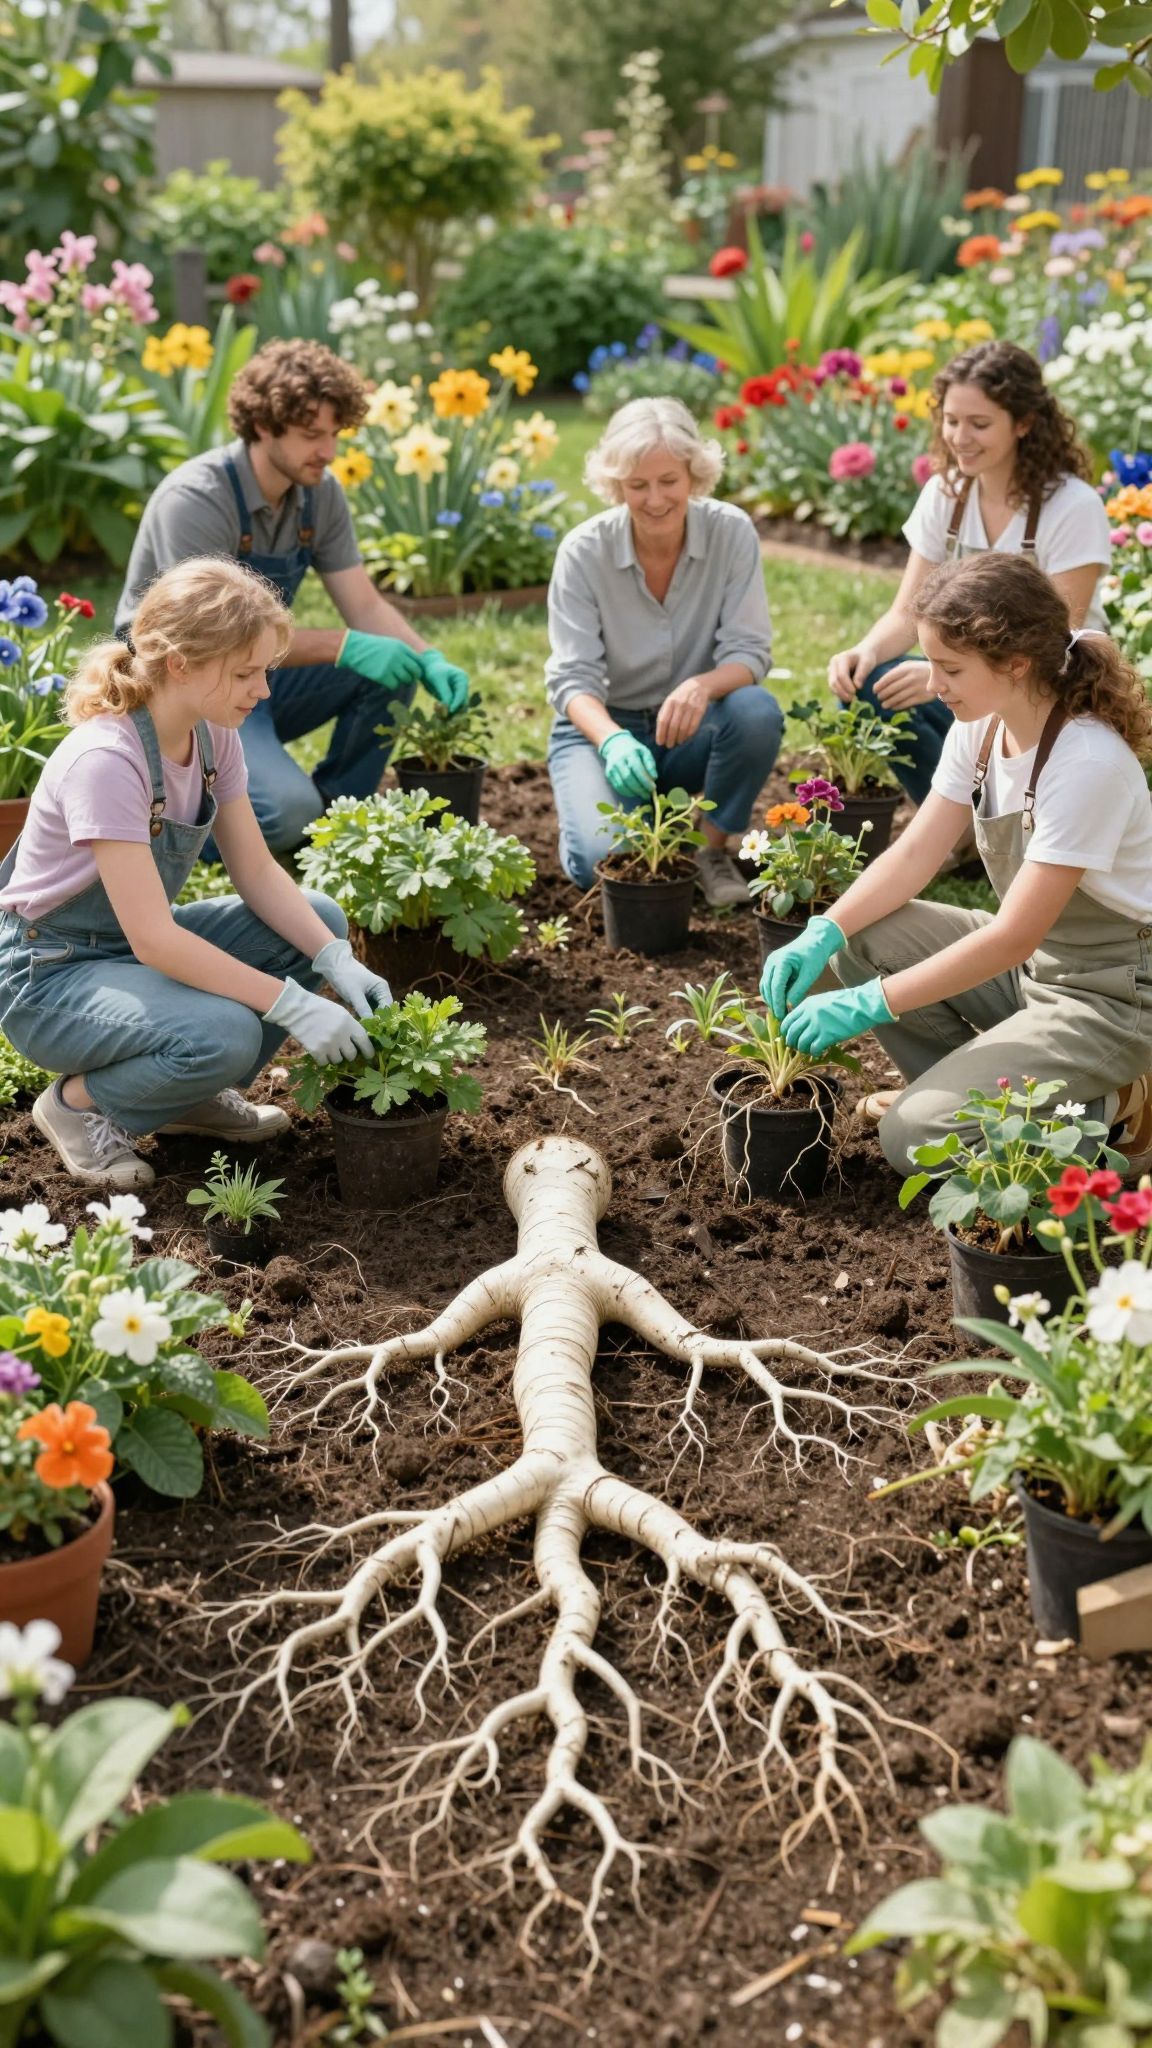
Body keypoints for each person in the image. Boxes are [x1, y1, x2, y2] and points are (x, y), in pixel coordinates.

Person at [0, 560, 393, 1192]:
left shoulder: (213, 734)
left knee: (315, 921)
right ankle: (79, 1105)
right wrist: (292, 1004)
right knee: (227, 1032)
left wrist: (334, 957)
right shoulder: (107, 759)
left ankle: (183, 1098)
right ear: (179, 663)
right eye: (246, 673)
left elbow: (257, 871)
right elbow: (155, 940)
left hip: (123, 952)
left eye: (265, 670)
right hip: (50, 975)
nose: (263, 690)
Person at [760, 552, 1152, 1177]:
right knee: (863, 936)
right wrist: (824, 929)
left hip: (1112, 1000)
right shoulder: (983, 725)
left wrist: (871, 1002)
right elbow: (917, 852)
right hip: (1036, 974)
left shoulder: (1087, 764)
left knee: (911, 1138)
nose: (933, 684)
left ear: (1016, 664)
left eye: (950, 668)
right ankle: (956, 1093)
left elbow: (1011, 935)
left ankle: (1119, 1109)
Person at [115, 338, 469, 854]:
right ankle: (183, 825)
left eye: (333, 434)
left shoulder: (318, 494)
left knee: (395, 668)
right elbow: (207, 640)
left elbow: (364, 604)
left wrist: (427, 656)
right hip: (185, 685)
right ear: (263, 426)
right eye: (310, 435)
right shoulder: (196, 499)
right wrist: (341, 646)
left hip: (255, 672)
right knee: (285, 812)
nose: (327, 451)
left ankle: (333, 822)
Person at [827, 340, 1111, 807]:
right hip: (971, 679)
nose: (960, 437)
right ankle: (959, 823)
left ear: (1024, 424)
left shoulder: (1072, 506)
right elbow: (906, 613)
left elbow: (1062, 641)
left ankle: (1008, 811)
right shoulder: (946, 493)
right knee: (869, 685)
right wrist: (865, 652)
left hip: (1051, 691)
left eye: (979, 424)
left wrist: (944, 677)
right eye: (952, 420)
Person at [544, 396, 782, 906]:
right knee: (601, 863)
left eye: (668, 481)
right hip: (604, 731)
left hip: (694, 726)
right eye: (637, 486)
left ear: (693, 476)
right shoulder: (584, 552)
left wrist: (701, 686)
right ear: (616, 486)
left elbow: (750, 652)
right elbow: (572, 681)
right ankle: (594, 819)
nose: (654, 499)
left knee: (756, 711)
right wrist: (610, 741)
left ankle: (709, 850)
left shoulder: (731, 532)